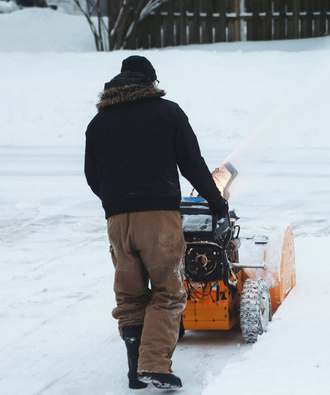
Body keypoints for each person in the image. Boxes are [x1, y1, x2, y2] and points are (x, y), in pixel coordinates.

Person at [84, 55, 228, 390]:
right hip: (159, 217)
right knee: (168, 290)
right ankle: (154, 365)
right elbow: (191, 163)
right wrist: (216, 202)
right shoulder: (167, 112)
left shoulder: (99, 122)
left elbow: (93, 176)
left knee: (131, 296)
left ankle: (136, 372)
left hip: (117, 220)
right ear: (151, 82)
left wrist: (116, 202)